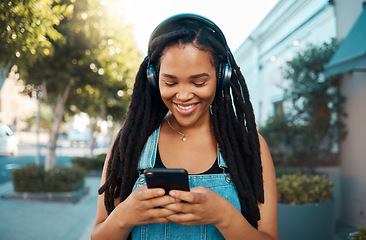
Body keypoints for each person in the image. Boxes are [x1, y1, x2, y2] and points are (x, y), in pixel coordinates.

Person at [91, 13, 278, 240]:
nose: (183, 95)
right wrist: (124, 216)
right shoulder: (129, 144)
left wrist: (223, 216)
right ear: (153, 78)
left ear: (222, 77)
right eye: (170, 82)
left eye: (199, 82)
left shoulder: (250, 147)